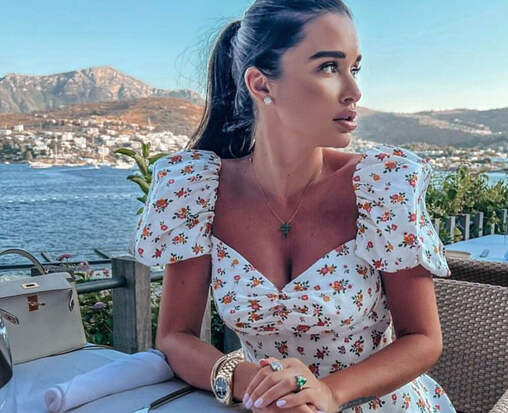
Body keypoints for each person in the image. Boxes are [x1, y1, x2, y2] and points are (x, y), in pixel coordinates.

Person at [133, 1, 455, 412]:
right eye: (328, 67)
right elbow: (175, 336)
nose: (354, 92)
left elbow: (423, 339)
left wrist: (329, 392)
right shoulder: (197, 193)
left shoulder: (383, 188)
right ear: (262, 85)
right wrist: (247, 381)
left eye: (354, 69)